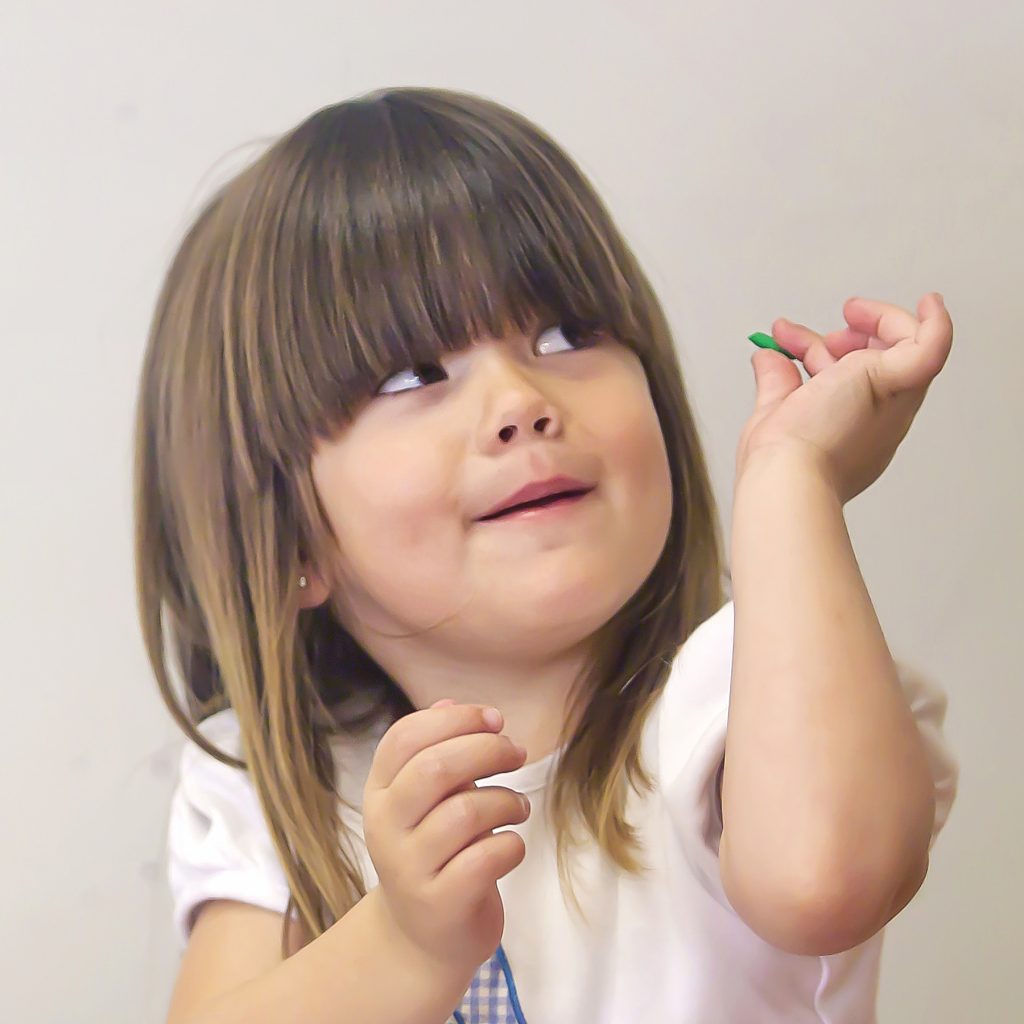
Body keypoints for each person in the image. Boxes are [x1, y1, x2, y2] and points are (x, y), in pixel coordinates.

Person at [134, 86, 958, 1024]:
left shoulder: (744, 693)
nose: (520, 398)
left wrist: (792, 481)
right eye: (414, 374)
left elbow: (827, 880)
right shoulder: (280, 785)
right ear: (286, 540)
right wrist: (401, 943)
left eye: (566, 334)